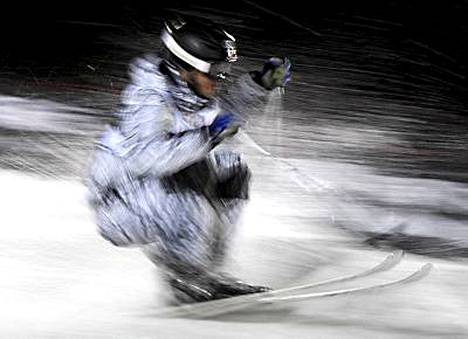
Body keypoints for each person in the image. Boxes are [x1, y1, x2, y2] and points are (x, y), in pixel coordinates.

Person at [87, 15, 292, 304]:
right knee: (186, 197)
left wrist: (258, 84)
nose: (220, 79)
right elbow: (147, 159)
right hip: (118, 201)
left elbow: (224, 116)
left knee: (232, 172)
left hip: (149, 190)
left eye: (223, 71)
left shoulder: (187, 90)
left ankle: (206, 273)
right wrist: (209, 135)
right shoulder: (149, 99)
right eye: (214, 72)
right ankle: (184, 277)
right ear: (185, 68)